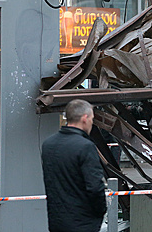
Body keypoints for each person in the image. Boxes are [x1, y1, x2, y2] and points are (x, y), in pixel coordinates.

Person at [41, 99, 107, 232]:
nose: (92, 123)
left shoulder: (48, 144)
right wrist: (101, 211)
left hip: (56, 220)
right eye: (92, 119)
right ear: (85, 118)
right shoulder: (85, 147)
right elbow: (95, 187)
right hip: (83, 221)